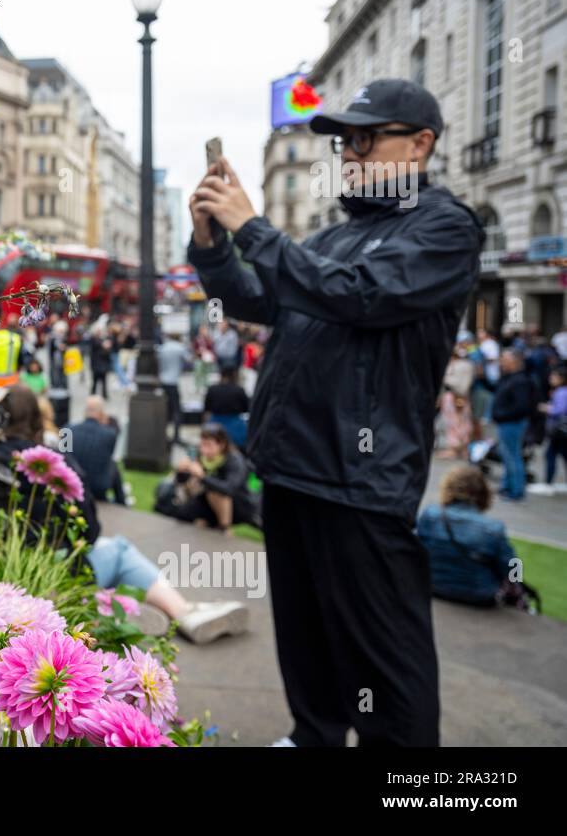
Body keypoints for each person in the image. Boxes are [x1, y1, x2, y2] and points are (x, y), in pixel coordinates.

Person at [188, 78, 482, 747]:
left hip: (361, 481)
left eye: (364, 138)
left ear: (421, 144)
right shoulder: (331, 236)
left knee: (385, 659)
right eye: (344, 140)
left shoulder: (444, 226)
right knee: (304, 632)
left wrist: (254, 227)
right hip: (291, 468)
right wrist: (211, 241)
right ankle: (312, 734)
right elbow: (255, 296)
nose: (349, 152)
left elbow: (362, 297)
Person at [0, 386, 248, 644]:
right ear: (37, 418)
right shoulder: (55, 463)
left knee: (103, 549)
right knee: (118, 549)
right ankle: (181, 611)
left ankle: (116, 605)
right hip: (53, 576)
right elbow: (89, 531)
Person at [416, 467, 519, 606]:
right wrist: (517, 586)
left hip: (431, 587)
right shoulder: (493, 527)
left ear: (448, 488)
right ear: (483, 493)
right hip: (478, 596)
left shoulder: (430, 515)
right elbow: (513, 565)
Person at [153, 423, 257, 532]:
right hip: (207, 501)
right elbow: (182, 482)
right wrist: (181, 471)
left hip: (237, 505)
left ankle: (225, 528)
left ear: (221, 444)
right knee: (183, 513)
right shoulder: (201, 457)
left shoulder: (234, 460)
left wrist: (202, 476)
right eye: (202, 444)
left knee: (215, 492)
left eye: (208, 445)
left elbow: (229, 489)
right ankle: (206, 523)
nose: (204, 449)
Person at [491, 348, 537, 501]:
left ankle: (516, 491)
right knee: (507, 456)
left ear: (515, 361)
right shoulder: (509, 378)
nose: (501, 362)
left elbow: (522, 406)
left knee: (513, 456)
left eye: (505, 359)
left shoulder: (520, 381)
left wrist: (501, 415)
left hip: (512, 423)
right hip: (506, 422)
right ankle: (507, 487)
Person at [69, 395, 127, 504]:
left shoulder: (67, 429)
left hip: (72, 483)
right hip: (97, 487)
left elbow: (64, 459)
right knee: (113, 465)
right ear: (101, 413)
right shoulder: (109, 435)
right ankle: (122, 501)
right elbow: (106, 457)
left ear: (85, 411)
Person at [439, 341, 475, 459]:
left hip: (457, 396)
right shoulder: (463, 365)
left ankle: (458, 448)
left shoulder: (462, 366)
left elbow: (461, 384)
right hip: (454, 397)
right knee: (457, 423)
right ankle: (458, 448)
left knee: (458, 423)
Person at [203, 365, 249, 448]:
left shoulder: (212, 389)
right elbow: (246, 408)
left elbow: (206, 410)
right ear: (234, 376)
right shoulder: (239, 390)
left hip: (215, 423)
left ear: (221, 375)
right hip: (236, 426)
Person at [157, 331, 189, 446]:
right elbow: (189, 361)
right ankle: (176, 436)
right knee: (176, 410)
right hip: (173, 381)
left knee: (165, 408)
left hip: (163, 381)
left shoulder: (162, 348)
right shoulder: (180, 348)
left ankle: (163, 434)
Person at [541, 366, 567, 488]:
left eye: (554, 376)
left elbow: (559, 410)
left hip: (559, 431)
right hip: (560, 431)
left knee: (550, 455)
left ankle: (548, 483)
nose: (551, 378)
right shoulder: (560, 391)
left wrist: (546, 408)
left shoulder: (561, 392)